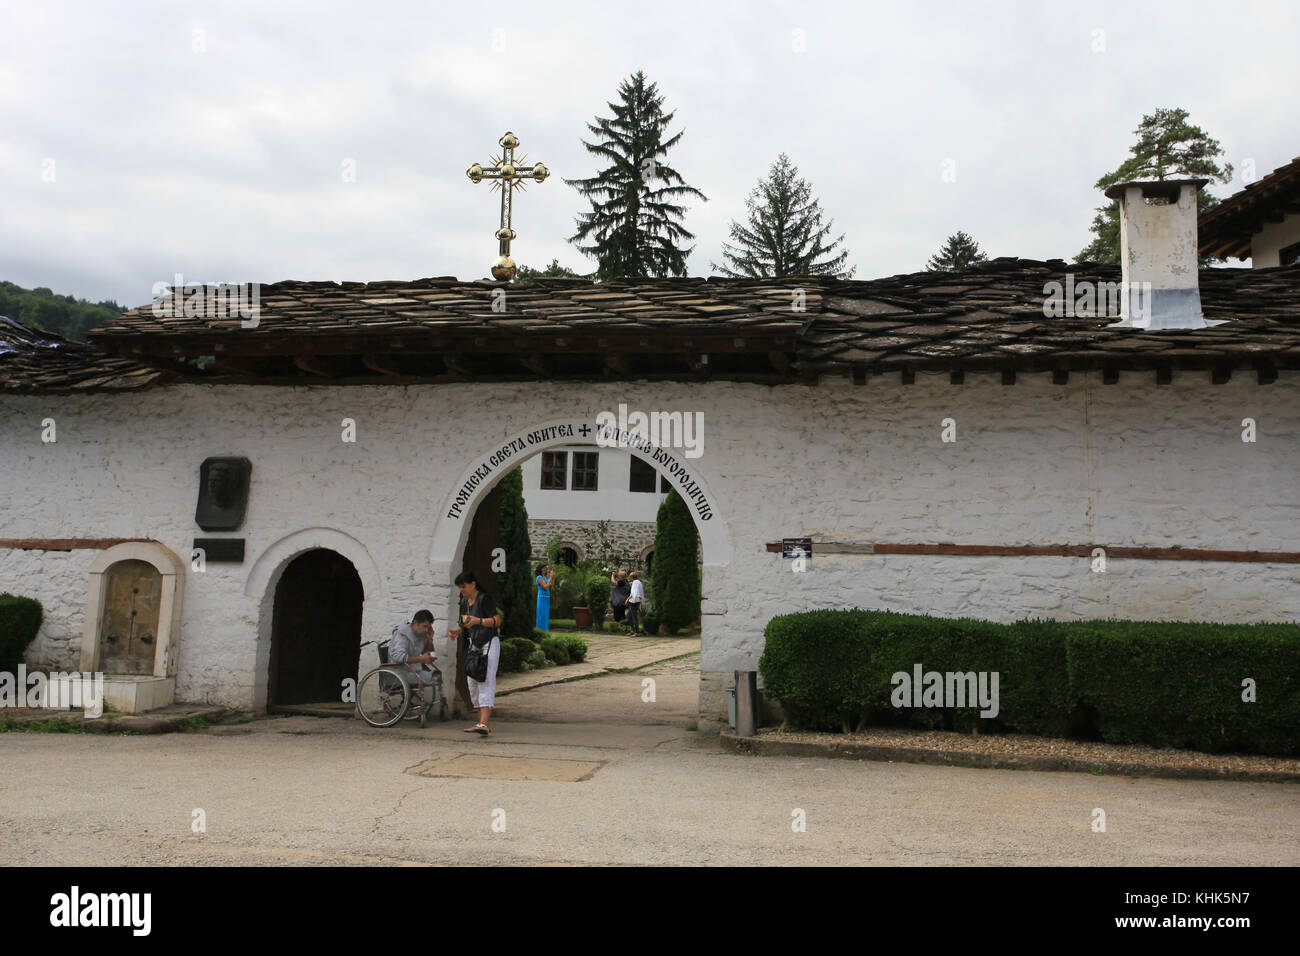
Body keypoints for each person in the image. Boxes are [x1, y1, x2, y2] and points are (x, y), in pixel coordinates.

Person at [447, 572, 500, 736]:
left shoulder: (484, 599)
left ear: (473, 584)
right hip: (474, 644)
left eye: (463, 586)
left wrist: (479, 621)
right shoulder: (464, 602)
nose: (461, 589)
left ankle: (484, 723)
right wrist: (458, 631)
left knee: (485, 679)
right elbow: (465, 624)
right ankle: (481, 722)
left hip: (488, 643)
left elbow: (497, 621)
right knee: (472, 681)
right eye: (460, 587)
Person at [388, 609, 438, 690]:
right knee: (430, 677)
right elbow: (398, 657)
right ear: (415, 623)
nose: (426, 630)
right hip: (399, 671)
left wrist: (430, 640)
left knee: (436, 676)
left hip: (413, 670)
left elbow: (430, 656)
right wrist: (421, 659)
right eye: (424, 626)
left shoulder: (422, 634)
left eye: (428, 627)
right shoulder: (403, 634)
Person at [535, 563, 554, 631]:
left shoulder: (545, 578)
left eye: (545, 568)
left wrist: (552, 577)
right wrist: (551, 577)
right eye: (543, 568)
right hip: (542, 598)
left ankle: (545, 630)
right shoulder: (539, 577)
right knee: (542, 615)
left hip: (547, 598)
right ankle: (540, 630)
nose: (545, 569)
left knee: (546, 615)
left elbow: (551, 585)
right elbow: (545, 587)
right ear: (540, 569)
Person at [626, 572, 645, 636]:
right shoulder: (638, 582)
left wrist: (627, 599)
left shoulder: (635, 582)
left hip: (634, 601)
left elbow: (633, 593)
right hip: (636, 600)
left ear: (632, 577)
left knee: (634, 616)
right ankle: (633, 630)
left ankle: (637, 632)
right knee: (629, 615)